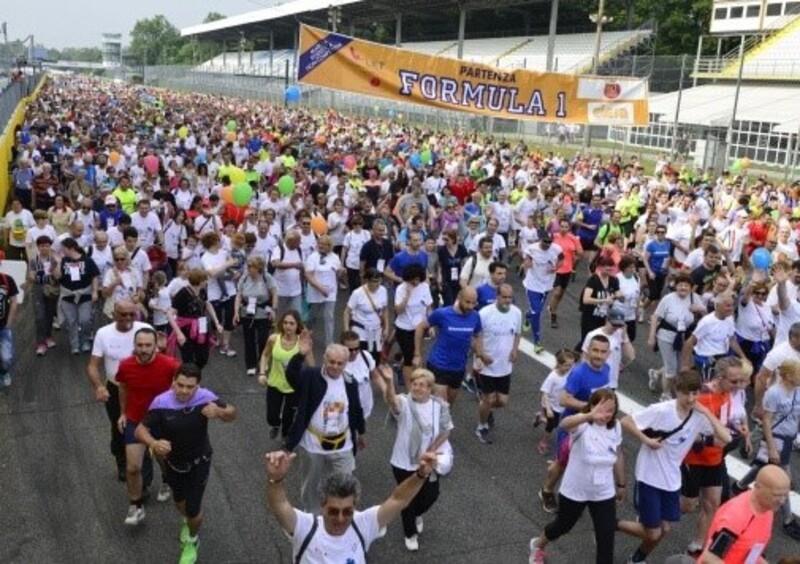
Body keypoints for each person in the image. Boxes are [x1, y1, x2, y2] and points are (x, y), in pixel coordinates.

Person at [618, 369, 733, 564]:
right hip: (650, 475)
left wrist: (704, 410)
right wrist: (646, 439)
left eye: (695, 393)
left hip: (671, 479)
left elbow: (726, 438)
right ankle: (611, 524)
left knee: (665, 529)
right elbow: (626, 421)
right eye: (685, 393)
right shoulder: (662, 410)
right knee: (653, 533)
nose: (690, 398)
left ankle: (637, 559)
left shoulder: (699, 416)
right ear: (676, 391)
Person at [135, 363, 237, 564]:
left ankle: (192, 541)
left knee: (193, 509)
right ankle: (188, 522)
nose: (184, 391)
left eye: (190, 387)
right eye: (180, 385)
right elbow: (140, 430)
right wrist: (154, 443)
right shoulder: (161, 402)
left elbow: (233, 414)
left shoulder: (206, 397)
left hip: (200, 461)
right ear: (173, 382)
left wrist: (219, 412)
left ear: (198, 386)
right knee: (179, 502)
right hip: (173, 464)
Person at [265, 449, 439, 563]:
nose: (341, 519)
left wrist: (420, 475)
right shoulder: (305, 527)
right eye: (333, 511)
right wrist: (276, 478)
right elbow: (279, 504)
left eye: (347, 512)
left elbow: (398, 500)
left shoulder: (363, 524)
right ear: (322, 506)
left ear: (355, 506)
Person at [529, 390, 625, 564]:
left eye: (611, 410)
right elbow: (564, 424)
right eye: (601, 408)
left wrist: (622, 484)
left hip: (603, 491)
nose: (606, 414)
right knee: (563, 525)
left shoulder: (616, 426)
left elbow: (618, 454)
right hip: (576, 489)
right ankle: (538, 545)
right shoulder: (582, 423)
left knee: (606, 536)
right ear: (592, 405)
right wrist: (589, 414)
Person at [282, 330, 367, 513]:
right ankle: (312, 519)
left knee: (344, 485)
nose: (335, 367)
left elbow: (356, 409)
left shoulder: (349, 382)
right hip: (313, 444)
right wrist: (300, 355)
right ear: (324, 359)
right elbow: (291, 376)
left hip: (343, 445)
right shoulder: (311, 376)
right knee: (311, 487)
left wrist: (362, 432)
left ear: (345, 364)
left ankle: (340, 517)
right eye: (331, 362)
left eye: (340, 363)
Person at [375, 366, 453, 551]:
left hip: (427, 461)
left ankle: (417, 514)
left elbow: (446, 430)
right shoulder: (404, 402)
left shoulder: (439, 405)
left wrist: (433, 448)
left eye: (422, 385)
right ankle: (410, 533)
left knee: (431, 495)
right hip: (403, 462)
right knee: (406, 499)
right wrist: (388, 382)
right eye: (415, 384)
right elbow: (392, 402)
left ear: (430, 388)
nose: (417, 388)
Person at [680, 357, 746, 556]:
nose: (738, 386)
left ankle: (697, 546)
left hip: (715, 458)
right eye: (734, 381)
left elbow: (722, 422)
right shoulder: (701, 397)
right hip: (693, 459)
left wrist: (734, 428)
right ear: (719, 377)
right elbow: (686, 428)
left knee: (712, 503)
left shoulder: (726, 393)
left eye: (740, 381)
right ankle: (654, 511)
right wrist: (711, 441)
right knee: (688, 506)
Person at [539, 334, 611, 514]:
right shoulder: (579, 372)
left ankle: (575, 499)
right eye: (595, 350)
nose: (599, 355)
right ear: (588, 351)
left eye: (603, 352)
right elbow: (563, 400)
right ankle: (547, 490)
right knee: (562, 463)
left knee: (584, 463)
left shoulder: (607, 369)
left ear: (608, 354)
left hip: (593, 426)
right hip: (573, 426)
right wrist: (590, 408)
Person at [115, 327, 181, 526]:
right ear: (134, 345)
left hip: (161, 420)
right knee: (133, 467)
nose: (143, 349)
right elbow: (123, 388)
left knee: (163, 457)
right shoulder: (125, 365)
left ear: (155, 346)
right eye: (139, 345)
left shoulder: (170, 365)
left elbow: (183, 387)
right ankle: (136, 506)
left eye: (148, 345)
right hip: (136, 420)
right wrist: (123, 412)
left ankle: (167, 480)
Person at [731, 359, 800, 540]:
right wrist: (771, 448)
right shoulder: (774, 393)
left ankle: (739, 485)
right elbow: (767, 421)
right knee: (784, 480)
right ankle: (788, 520)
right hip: (776, 439)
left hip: (788, 438)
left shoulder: (797, 391)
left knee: (763, 466)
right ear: (788, 375)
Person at [88, 300, 153, 481]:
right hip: (115, 389)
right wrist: (99, 386)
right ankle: (122, 461)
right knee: (120, 428)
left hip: (142, 390)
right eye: (123, 314)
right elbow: (93, 365)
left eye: (132, 314)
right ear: (113, 314)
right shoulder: (104, 333)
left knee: (146, 427)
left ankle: (144, 472)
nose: (128, 318)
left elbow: (158, 356)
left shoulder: (145, 329)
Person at [698, 465, 790, 564]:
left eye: (785, 495)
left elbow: (753, 550)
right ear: (758, 487)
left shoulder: (768, 509)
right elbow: (710, 558)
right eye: (777, 495)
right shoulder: (735, 517)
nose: (782, 501)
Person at [414, 287, 486, 404]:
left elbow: (478, 335)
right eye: (467, 302)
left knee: (449, 404)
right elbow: (420, 327)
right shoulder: (442, 313)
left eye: (474, 303)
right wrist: (417, 354)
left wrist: (479, 355)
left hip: (459, 367)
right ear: (459, 298)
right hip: (439, 365)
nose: (470, 306)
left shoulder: (475, 316)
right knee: (441, 406)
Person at [475, 283, 521, 444]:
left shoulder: (516, 312)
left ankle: (486, 410)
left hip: (505, 365)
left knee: (502, 401)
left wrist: (515, 350)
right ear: (497, 296)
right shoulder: (485, 313)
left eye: (510, 297)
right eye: (504, 297)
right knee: (489, 398)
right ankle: (481, 426)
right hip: (487, 364)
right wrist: (481, 354)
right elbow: (476, 335)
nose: (508, 300)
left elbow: (517, 333)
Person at [258, 310, 312, 439]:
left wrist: (310, 385)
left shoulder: (302, 343)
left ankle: (286, 438)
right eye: (285, 323)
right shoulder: (273, 339)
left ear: (297, 325)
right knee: (271, 416)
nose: (288, 326)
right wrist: (262, 373)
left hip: (294, 387)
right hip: (275, 383)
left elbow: (311, 366)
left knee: (289, 417)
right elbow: (265, 355)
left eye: (292, 323)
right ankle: (275, 425)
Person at [168, 269, 223, 370]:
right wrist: (178, 333)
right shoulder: (183, 293)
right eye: (205, 279)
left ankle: (194, 374)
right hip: (186, 330)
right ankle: (190, 378)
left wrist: (216, 322)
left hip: (201, 328)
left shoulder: (202, 291)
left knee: (203, 357)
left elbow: (207, 304)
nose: (207, 281)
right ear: (199, 280)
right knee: (188, 359)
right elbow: (170, 313)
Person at [53, 237, 100, 355]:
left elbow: (95, 276)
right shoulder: (63, 261)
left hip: (84, 294)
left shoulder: (88, 260)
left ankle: (84, 339)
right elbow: (57, 277)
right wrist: (59, 263)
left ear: (71, 248)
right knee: (71, 321)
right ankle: (74, 344)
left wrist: (94, 291)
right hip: (68, 295)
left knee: (85, 320)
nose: (63, 251)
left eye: (64, 249)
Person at [233, 255, 277, 376]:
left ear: (259, 268)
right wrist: (236, 312)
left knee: (263, 338)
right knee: (249, 339)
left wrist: (273, 309)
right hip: (248, 312)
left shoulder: (267, 277)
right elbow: (239, 295)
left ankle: (263, 360)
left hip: (263, 311)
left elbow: (274, 293)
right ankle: (251, 364)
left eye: (251, 266)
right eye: (248, 266)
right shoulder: (244, 277)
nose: (248, 268)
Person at [522, 232, 563, 352]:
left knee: (536, 309)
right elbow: (527, 261)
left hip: (546, 285)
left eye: (549, 242)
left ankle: (528, 315)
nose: (547, 244)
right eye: (545, 241)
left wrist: (556, 267)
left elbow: (561, 259)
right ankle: (537, 341)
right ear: (540, 240)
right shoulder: (531, 248)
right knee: (538, 312)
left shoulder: (556, 249)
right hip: (532, 285)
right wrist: (527, 263)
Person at [393, 263, 433, 388]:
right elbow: (398, 310)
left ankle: (418, 383)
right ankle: (410, 390)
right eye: (413, 279)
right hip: (404, 328)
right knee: (410, 359)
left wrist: (431, 325)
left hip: (420, 327)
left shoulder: (424, 287)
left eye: (418, 279)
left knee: (419, 354)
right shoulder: (401, 289)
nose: (416, 282)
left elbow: (429, 307)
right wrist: (407, 295)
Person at [305, 235, 344, 347]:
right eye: (320, 243)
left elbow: (337, 274)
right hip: (316, 291)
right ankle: (306, 333)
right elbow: (308, 275)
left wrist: (341, 272)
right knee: (313, 316)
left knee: (329, 317)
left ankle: (329, 343)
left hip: (330, 293)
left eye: (324, 244)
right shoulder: (312, 257)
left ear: (329, 246)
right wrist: (320, 288)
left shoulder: (335, 257)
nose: (321, 246)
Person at [343, 268, 389, 359]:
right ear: (367, 280)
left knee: (375, 359)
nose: (378, 284)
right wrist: (347, 331)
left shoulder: (383, 290)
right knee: (360, 357)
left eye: (379, 281)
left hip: (376, 331)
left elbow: (385, 310)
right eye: (374, 281)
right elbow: (347, 312)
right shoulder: (357, 293)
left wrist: (386, 328)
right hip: (361, 331)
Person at [28, 235, 59, 356]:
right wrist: (32, 275)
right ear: (38, 247)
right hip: (38, 289)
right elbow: (30, 277)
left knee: (49, 315)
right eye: (42, 246)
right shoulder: (33, 260)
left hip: (51, 289)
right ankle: (40, 343)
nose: (45, 248)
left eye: (47, 245)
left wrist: (55, 269)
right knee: (40, 317)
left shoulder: (54, 260)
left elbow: (57, 277)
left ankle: (48, 336)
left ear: (50, 246)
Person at [341, 330, 380, 421]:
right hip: (346, 408)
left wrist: (387, 392)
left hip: (364, 404)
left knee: (362, 427)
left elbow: (376, 376)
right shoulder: (337, 363)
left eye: (357, 348)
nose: (354, 352)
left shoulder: (365, 356)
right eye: (350, 350)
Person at [0, 266, 19, 390]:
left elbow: (13, 301)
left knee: (7, 357)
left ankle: (4, 372)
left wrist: (9, 323)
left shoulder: (7, 280)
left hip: (3, 326)